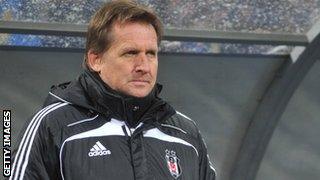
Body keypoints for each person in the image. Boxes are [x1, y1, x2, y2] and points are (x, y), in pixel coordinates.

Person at [9, 1, 216, 180]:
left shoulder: (186, 133)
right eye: (130, 53)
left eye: (151, 53)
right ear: (95, 60)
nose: (143, 66)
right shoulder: (53, 125)